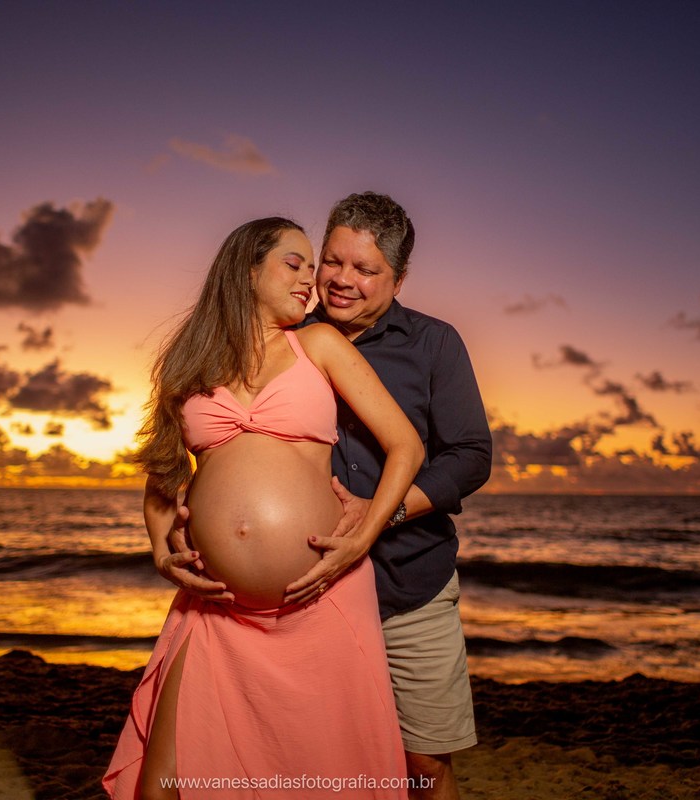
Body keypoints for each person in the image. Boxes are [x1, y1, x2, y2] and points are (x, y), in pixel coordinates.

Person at [102, 217, 425, 800]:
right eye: (293, 264)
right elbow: (163, 472)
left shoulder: (319, 346)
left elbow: (407, 446)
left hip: (320, 599)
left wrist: (363, 536)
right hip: (214, 611)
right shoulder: (191, 361)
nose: (310, 280)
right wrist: (159, 551)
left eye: (311, 267)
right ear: (248, 270)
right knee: (163, 786)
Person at [286, 192, 493, 800]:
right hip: (308, 585)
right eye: (332, 261)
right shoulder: (286, 338)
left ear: (399, 279)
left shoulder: (435, 343)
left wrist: (383, 514)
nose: (341, 280)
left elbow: (470, 456)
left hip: (410, 582)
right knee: (319, 763)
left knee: (424, 764)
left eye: (365, 269)